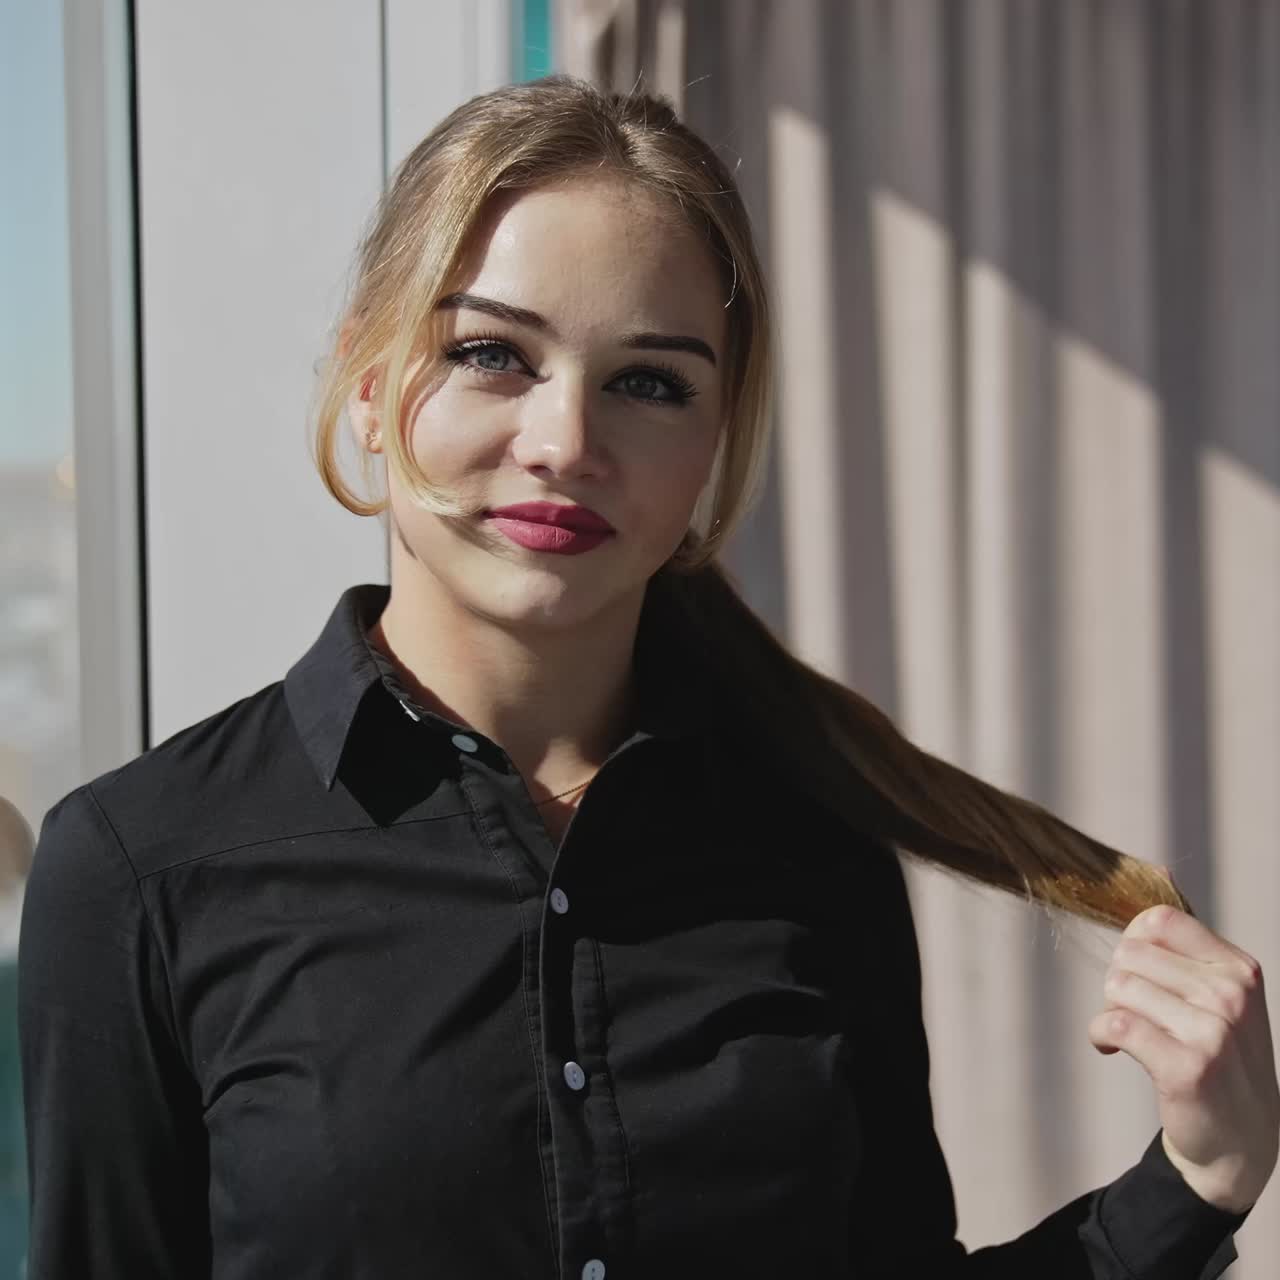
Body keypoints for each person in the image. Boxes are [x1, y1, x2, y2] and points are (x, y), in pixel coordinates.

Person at [17, 74, 1278, 1279]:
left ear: (711, 449)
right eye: (491, 355)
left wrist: (1196, 1174)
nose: (566, 441)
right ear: (365, 378)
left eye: (647, 383)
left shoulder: (811, 850)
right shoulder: (138, 873)